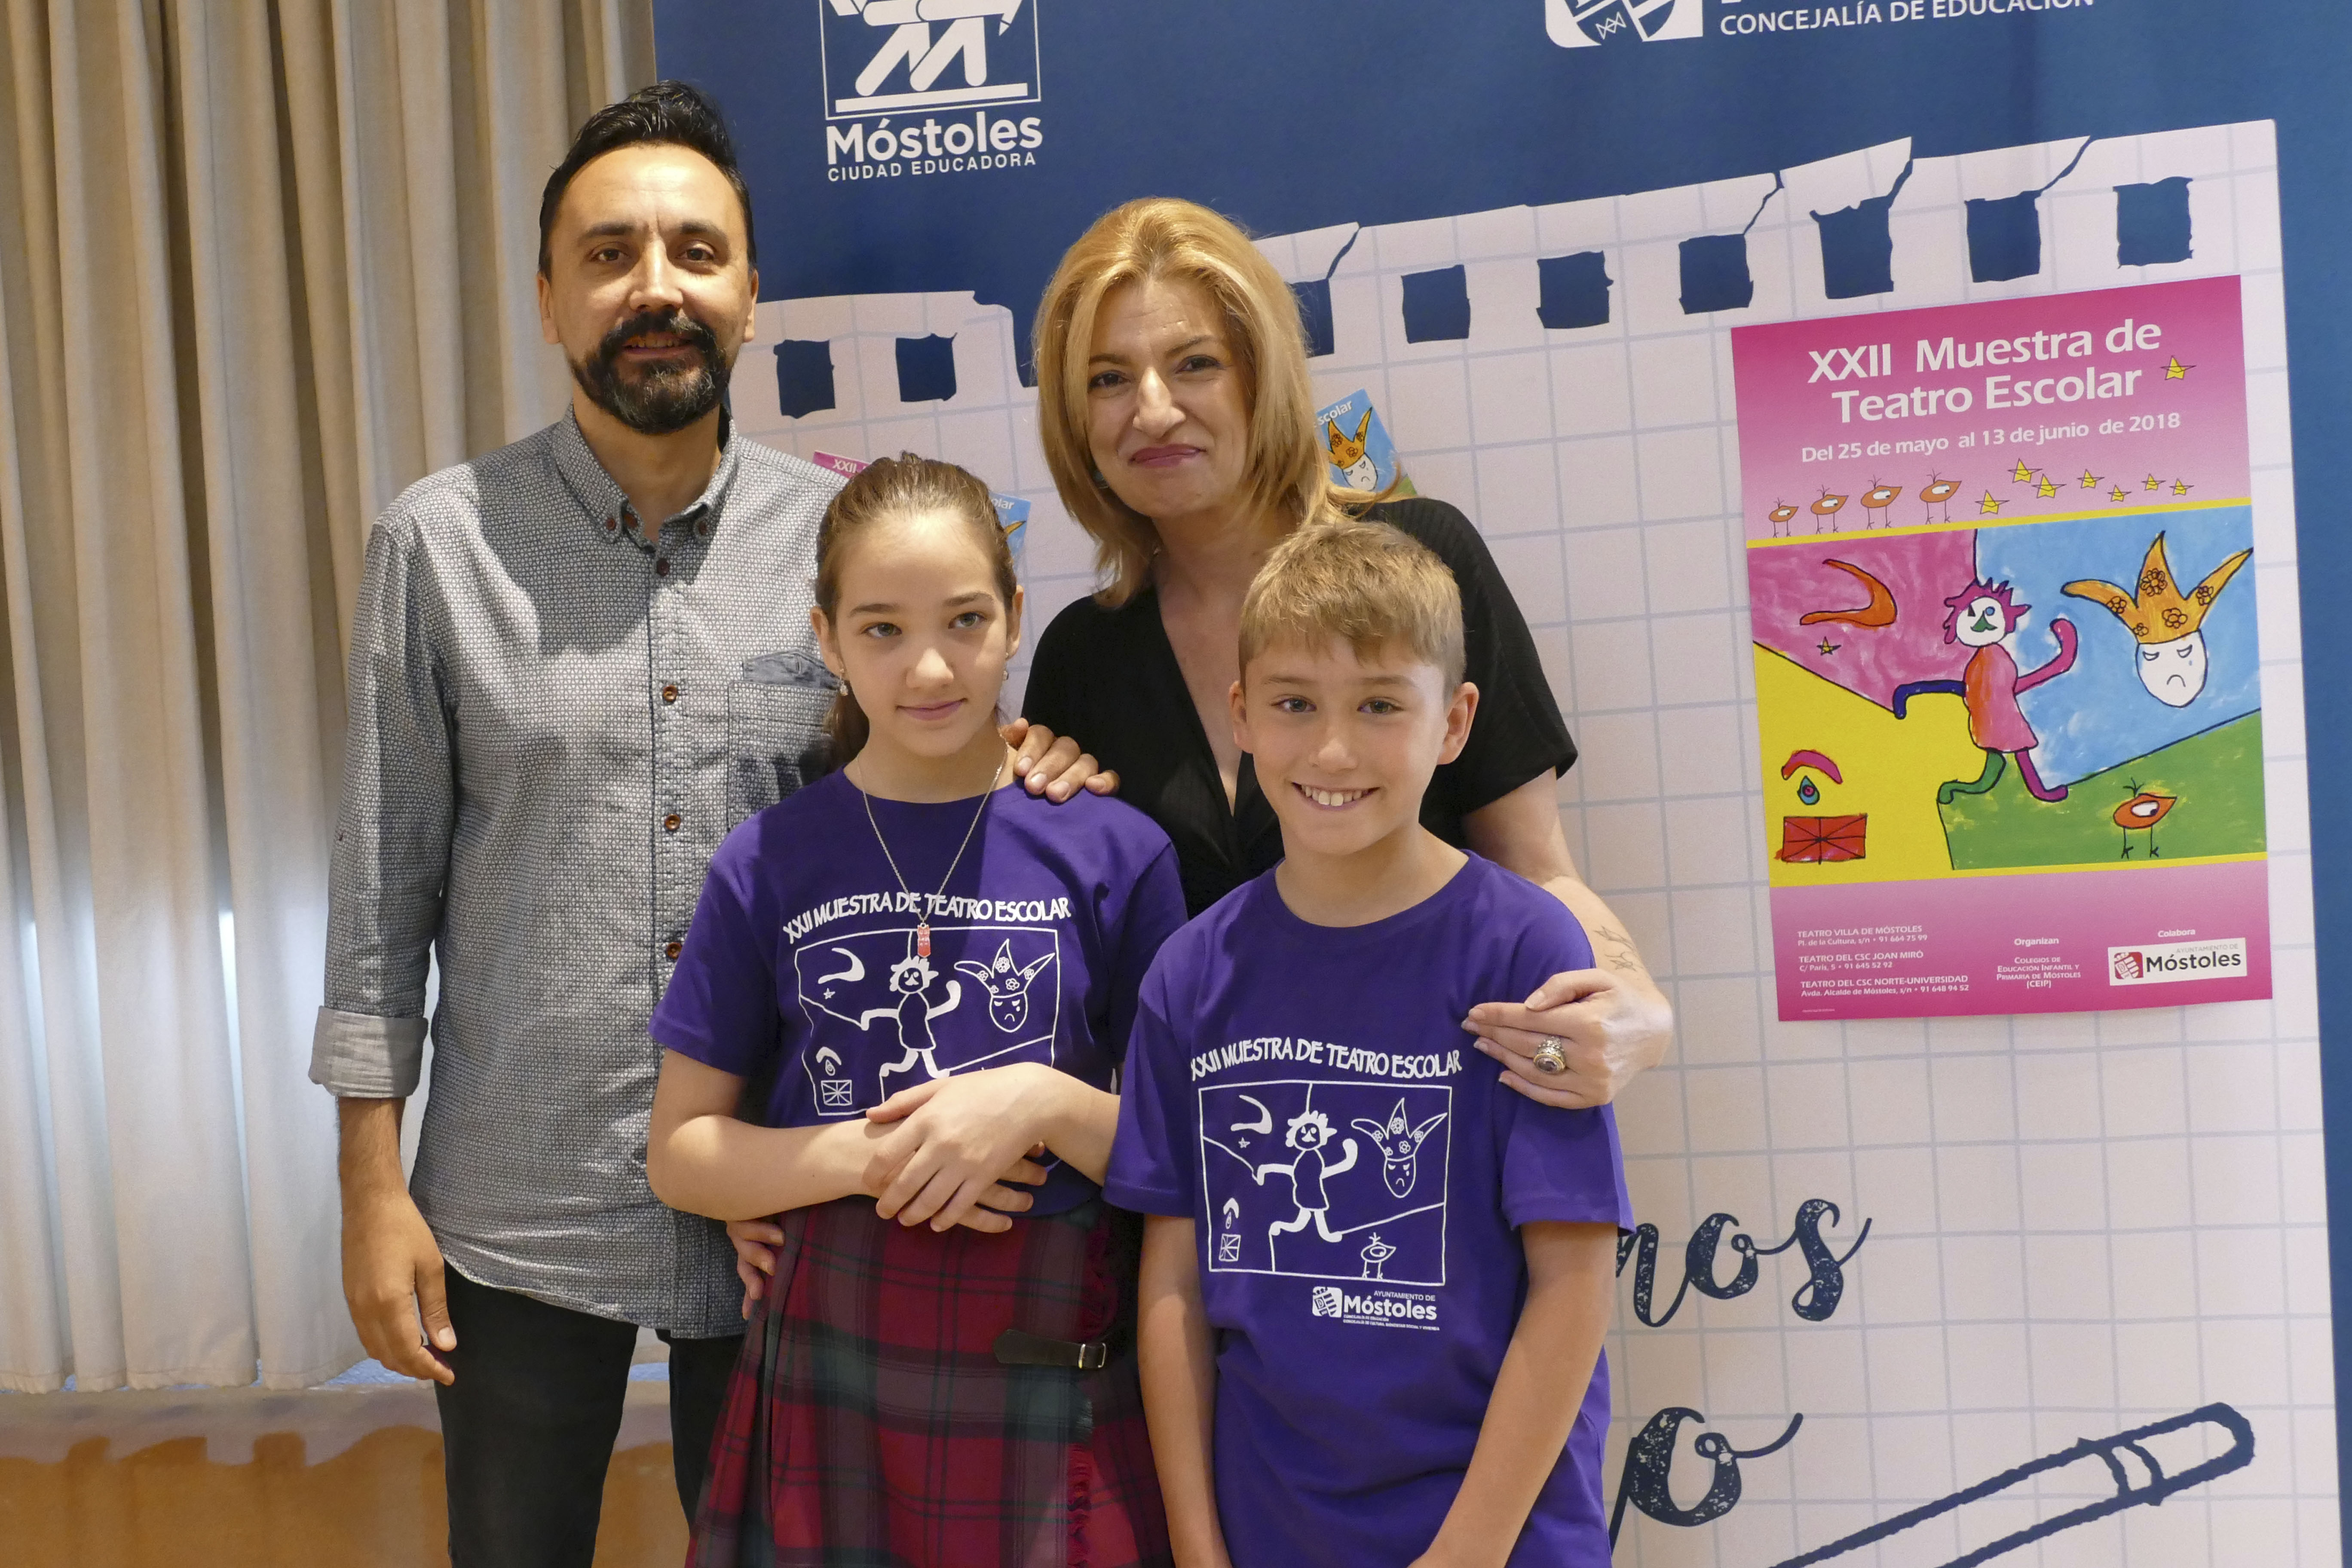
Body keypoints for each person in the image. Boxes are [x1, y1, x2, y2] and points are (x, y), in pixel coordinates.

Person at [309, 83, 1094, 1567]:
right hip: (519, 1197)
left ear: (749, 291)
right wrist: (369, 1189)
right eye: (609, 254)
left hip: (786, 1198)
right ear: (550, 298)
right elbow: (380, 891)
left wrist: (1025, 754)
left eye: (694, 251)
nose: (654, 286)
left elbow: (920, 788)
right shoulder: (439, 544)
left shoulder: (842, 544)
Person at [645, 454, 1185, 1566]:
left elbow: (1184, 1152)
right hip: (832, 1365)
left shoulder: (1117, 851)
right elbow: (683, 1154)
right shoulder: (766, 861)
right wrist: (866, 1156)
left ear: (1016, 618)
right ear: (827, 639)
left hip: (1056, 1367)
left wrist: (1040, 1102)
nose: (930, 667)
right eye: (882, 629)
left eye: (966, 621)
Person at [1017, 196, 1671, 1113]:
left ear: (1263, 377)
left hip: (1436, 1121)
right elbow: (1079, 955)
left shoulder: (1423, 560)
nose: (1153, 411)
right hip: (1219, 1151)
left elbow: (1535, 865)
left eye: (1196, 364)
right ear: (1073, 418)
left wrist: (1636, 1006)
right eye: (1108, 379)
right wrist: (1025, 787)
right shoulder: (1082, 655)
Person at [1106, 518, 1631, 1566]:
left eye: (1381, 705)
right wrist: (1199, 1546)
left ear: (1455, 721)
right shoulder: (1191, 974)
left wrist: (1466, 1554)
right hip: (1269, 1531)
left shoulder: (1524, 947)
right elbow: (1174, 1283)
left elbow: (1573, 1283)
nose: (1334, 750)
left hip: (1503, 1539)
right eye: (1295, 704)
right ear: (1242, 713)